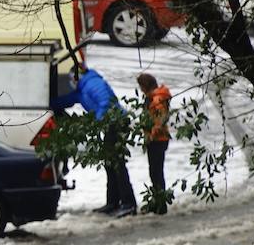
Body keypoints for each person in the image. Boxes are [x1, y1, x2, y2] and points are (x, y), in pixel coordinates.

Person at [51, 64, 137, 217]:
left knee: (117, 164)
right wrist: (49, 103)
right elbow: (68, 100)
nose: (71, 81)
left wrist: (97, 123)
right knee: (110, 164)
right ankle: (113, 202)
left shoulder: (93, 83)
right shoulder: (81, 89)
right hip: (108, 124)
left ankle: (129, 204)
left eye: (72, 78)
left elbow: (106, 102)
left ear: (79, 76)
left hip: (116, 123)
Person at [137, 72, 172, 214]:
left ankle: (161, 205)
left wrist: (152, 134)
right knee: (155, 172)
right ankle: (157, 201)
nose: (140, 90)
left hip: (158, 140)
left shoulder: (156, 100)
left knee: (156, 173)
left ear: (145, 86)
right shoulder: (155, 97)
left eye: (141, 86)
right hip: (157, 140)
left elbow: (161, 118)